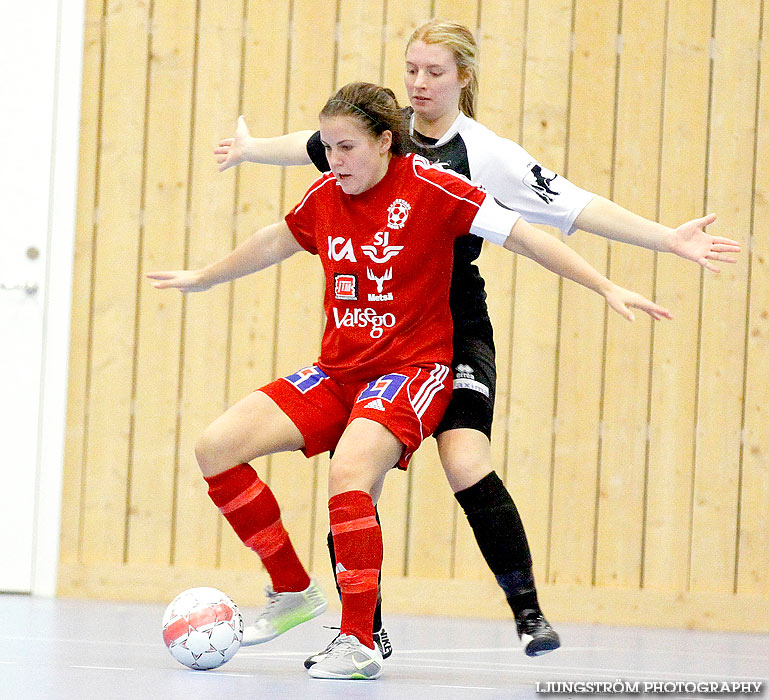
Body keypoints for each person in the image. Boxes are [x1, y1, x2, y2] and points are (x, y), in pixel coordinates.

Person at [214, 19, 741, 663]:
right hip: (385, 327)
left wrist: (664, 240)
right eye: (411, 69)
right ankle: (362, 635)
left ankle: (527, 612)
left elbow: (575, 208)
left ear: (464, 78)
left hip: (453, 327)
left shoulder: (486, 154)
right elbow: (317, 144)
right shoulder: (383, 133)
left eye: (434, 72)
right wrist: (250, 147)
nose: (419, 82)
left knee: (463, 460)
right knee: (356, 479)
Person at [152, 82, 675, 680]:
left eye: (346, 147)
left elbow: (528, 236)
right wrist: (206, 276)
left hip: (410, 370)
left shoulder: (432, 188)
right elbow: (275, 241)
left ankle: (358, 642)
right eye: (326, 147)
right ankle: (293, 592)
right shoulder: (326, 193)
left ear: (383, 142)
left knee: (350, 471)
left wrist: (606, 286)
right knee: (215, 447)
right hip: (338, 370)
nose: (334, 160)